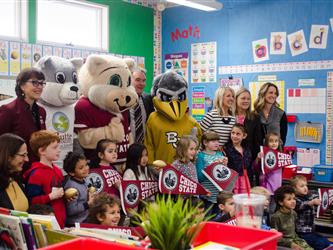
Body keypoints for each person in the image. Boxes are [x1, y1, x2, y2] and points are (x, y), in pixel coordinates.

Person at [0, 68, 46, 168]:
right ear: (22, 86)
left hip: (37, 167)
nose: (39, 87)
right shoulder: (9, 110)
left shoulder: (41, 111)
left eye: (42, 83)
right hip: (16, 169)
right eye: (35, 83)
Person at [24, 130, 65, 228]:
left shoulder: (58, 171)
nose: (59, 150)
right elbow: (32, 201)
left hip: (61, 220)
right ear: (42, 151)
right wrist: (50, 197)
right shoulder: (36, 174)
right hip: (47, 224)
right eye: (55, 147)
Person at [290, 175, 331, 250]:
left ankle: (327, 245)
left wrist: (322, 197)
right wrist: (312, 202)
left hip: (311, 229)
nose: (305, 187)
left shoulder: (308, 194)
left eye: (306, 185)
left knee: (323, 240)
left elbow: (315, 195)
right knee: (321, 243)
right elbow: (302, 205)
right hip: (302, 232)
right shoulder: (295, 200)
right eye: (302, 186)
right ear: (294, 189)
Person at [235, 88, 263, 186]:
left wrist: (255, 160)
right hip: (231, 159)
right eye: (243, 98)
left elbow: (257, 140)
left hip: (248, 160)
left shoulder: (254, 117)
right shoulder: (229, 116)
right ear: (236, 99)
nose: (246, 101)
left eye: (248, 99)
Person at [271, 185, 313, 250]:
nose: (293, 201)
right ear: (281, 202)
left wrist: (300, 242)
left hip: (296, 240)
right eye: (289, 199)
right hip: (285, 244)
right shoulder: (276, 217)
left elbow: (294, 232)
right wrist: (290, 244)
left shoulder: (294, 213)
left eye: (294, 198)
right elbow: (275, 238)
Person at [196, 130, 228, 215]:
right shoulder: (200, 156)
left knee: (216, 218)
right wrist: (212, 167)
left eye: (218, 141)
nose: (217, 143)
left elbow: (224, 175)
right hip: (207, 194)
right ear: (205, 143)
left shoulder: (220, 154)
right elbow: (199, 177)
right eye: (213, 141)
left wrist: (225, 165)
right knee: (207, 217)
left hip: (218, 194)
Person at [63, 152, 94, 225]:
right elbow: (71, 210)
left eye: (86, 165)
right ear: (72, 173)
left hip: (84, 219)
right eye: (81, 168)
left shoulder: (84, 179)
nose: (86, 168)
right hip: (75, 224)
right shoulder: (72, 187)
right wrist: (88, 204)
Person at [0, 133, 29, 211]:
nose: (27, 159)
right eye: (23, 155)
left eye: (26, 154)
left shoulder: (14, 178)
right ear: (8, 156)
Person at [224, 124, 252, 194]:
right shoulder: (226, 149)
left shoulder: (246, 149)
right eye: (233, 133)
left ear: (244, 136)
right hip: (232, 179)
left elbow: (248, 164)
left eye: (238, 134)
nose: (234, 136)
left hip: (245, 179)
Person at [129, 67, 154, 144]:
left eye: (144, 81)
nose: (142, 84)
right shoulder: (122, 100)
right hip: (126, 148)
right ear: (129, 80)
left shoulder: (148, 99)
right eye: (137, 80)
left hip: (143, 148)